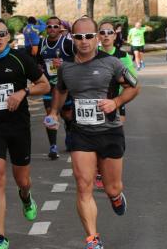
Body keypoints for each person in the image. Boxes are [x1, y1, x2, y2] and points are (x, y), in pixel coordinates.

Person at [48, 17, 140, 249]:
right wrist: (54, 113)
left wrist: (116, 102)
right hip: (82, 133)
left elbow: (134, 86)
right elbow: (60, 90)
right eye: (78, 37)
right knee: (83, 185)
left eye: (89, 36)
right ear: (73, 38)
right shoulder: (66, 66)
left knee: (112, 187)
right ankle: (93, 238)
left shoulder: (111, 63)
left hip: (109, 132)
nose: (84, 41)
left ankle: (116, 196)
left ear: (97, 37)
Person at [0, 18, 50, 249]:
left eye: (1, 34)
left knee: (22, 180)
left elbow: (45, 85)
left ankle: (26, 196)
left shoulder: (20, 59)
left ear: (8, 37)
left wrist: (23, 92)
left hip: (18, 126)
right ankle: (1, 236)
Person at [94, 21, 136, 190]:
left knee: (114, 138)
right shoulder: (92, 55)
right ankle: (99, 171)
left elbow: (132, 81)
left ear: (114, 35)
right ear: (98, 35)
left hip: (116, 101)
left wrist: (118, 100)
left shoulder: (122, 56)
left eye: (109, 32)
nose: (105, 35)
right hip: (96, 103)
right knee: (96, 138)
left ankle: (111, 171)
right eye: (102, 32)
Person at [37, 16, 74, 160]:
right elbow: (38, 62)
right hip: (49, 86)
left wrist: (65, 64)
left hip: (65, 85)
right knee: (50, 114)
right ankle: (53, 146)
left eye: (55, 26)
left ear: (60, 28)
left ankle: (70, 133)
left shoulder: (67, 44)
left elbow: (79, 60)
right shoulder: (42, 43)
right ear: (46, 29)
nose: (52, 29)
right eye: (49, 26)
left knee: (68, 115)